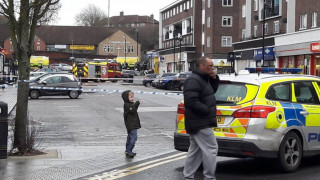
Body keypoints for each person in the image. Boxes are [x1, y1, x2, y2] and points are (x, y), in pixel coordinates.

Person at [183, 56, 220, 180]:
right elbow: (190, 101)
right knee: (211, 148)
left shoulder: (202, 79)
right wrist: (206, 110)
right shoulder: (193, 80)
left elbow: (209, 93)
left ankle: (188, 176)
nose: (212, 69)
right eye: (210, 66)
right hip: (199, 121)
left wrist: (214, 79)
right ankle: (209, 177)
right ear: (202, 66)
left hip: (198, 121)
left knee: (196, 150)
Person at [121, 90, 141, 158]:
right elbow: (133, 110)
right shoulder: (127, 105)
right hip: (131, 125)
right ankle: (129, 150)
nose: (132, 98)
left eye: (132, 97)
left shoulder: (129, 104)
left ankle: (128, 150)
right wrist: (137, 103)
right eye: (131, 97)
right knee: (134, 137)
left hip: (132, 124)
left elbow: (133, 110)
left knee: (130, 138)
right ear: (126, 98)